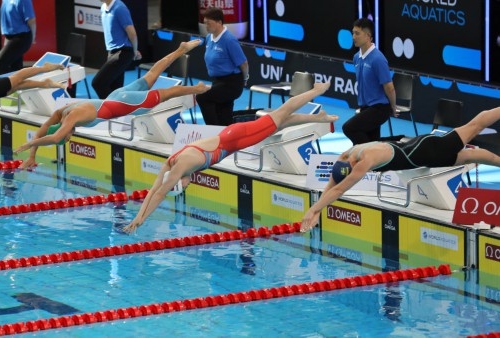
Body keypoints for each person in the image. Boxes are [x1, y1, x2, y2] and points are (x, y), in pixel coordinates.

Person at [124, 81, 338, 233]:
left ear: (178, 179)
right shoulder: (170, 162)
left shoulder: (179, 168)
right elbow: (153, 190)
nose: (186, 185)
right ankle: (317, 118)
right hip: (232, 136)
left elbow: (160, 193)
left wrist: (142, 219)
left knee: (280, 114)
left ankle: (315, 91)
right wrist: (138, 217)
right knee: (278, 122)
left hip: (237, 139)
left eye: (182, 185)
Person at [301, 106, 500, 233]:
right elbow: (332, 184)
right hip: (423, 150)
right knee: (477, 156)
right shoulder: (347, 155)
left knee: (475, 125)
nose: (354, 172)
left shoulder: (366, 161)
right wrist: (318, 210)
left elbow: (339, 190)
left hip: (431, 150)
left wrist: (313, 208)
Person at [14, 39, 209, 169]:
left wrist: (31, 143)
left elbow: (54, 137)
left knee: (166, 94)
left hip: (124, 103)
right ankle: (180, 50)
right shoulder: (60, 112)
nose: (69, 137)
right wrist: (32, 155)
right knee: (151, 76)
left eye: (68, 137)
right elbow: (46, 129)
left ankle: (197, 89)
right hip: (116, 95)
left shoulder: (70, 119)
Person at [342, 18, 396, 145]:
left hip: (379, 108)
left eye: (357, 33)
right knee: (372, 141)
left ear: (368, 36)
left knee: (349, 128)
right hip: (365, 108)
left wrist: (393, 107)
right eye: (353, 33)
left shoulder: (378, 59)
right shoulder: (356, 58)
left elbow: (389, 87)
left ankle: (371, 153)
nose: (353, 37)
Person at [196, 6, 249, 126]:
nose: (206, 26)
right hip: (217, 82)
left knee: (202, 98)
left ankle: (212, 132)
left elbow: (244, 63)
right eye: (205, 24)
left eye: (209, 23)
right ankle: (225, 138)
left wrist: (245, 79)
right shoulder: (209, 37)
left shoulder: (229, 40)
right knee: (224, 116)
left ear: (219, 22)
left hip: (232, 83)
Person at [91, 0, 142, 99]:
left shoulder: (120, 8)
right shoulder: (103, 8)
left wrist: (135, 51)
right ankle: (118, 111)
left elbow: (132, 33)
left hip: (123, 53)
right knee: (115, 89)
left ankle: (110, 110)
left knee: (98, 83)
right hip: (112, 53)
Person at [0, 0, 36, 75]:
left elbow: (31, 20)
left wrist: (33, 37)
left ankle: (9, 84)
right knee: (15, 69)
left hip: (21, 37)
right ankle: (16, 85)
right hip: (10, 37)